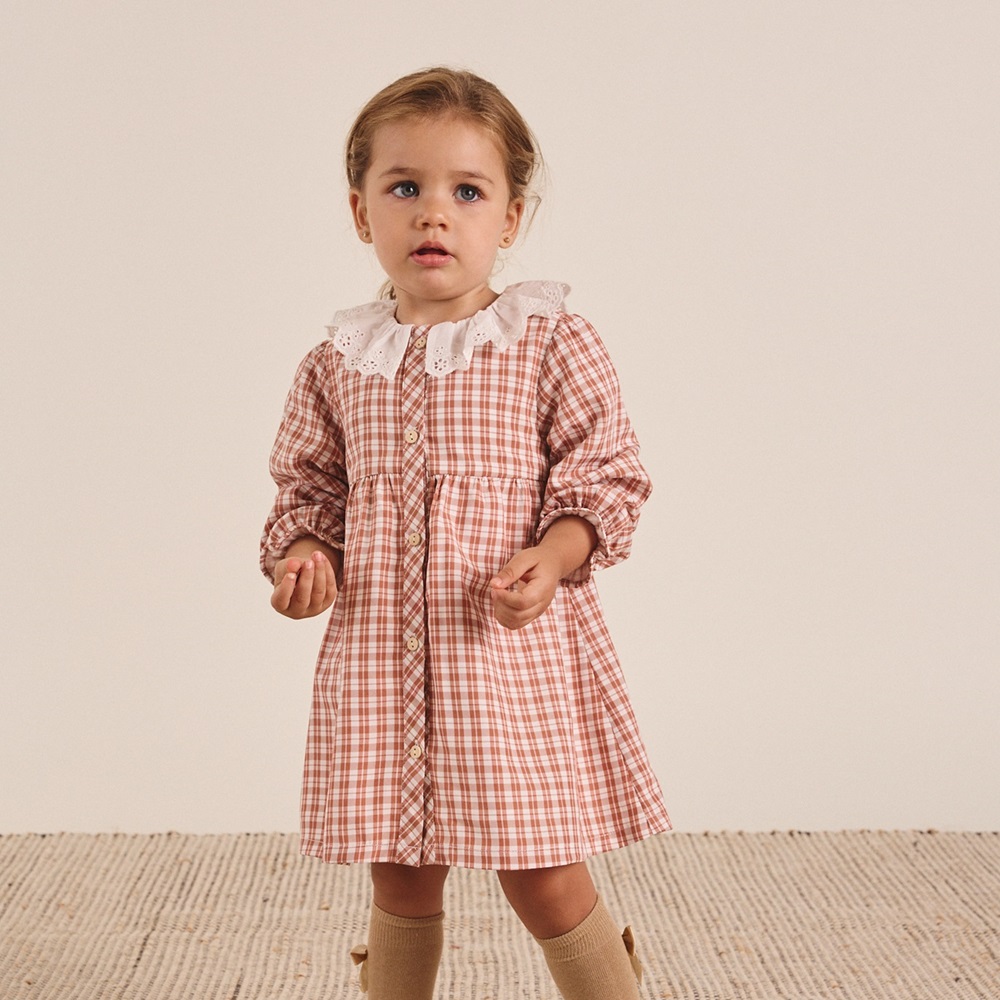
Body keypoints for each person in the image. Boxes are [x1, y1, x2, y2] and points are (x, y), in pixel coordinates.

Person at [261, 66, 671, 1000]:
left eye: (466, 192)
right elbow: (308, 491)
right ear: (362, 213)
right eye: (404, 188)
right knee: (398, 868)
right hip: (380, 662)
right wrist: (305, 559)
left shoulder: (548, 341)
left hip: (504, 657)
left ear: (510, 219)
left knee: (540, 868)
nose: (433, 215)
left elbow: (604, 474)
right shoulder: (336, 362)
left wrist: (555, 554)